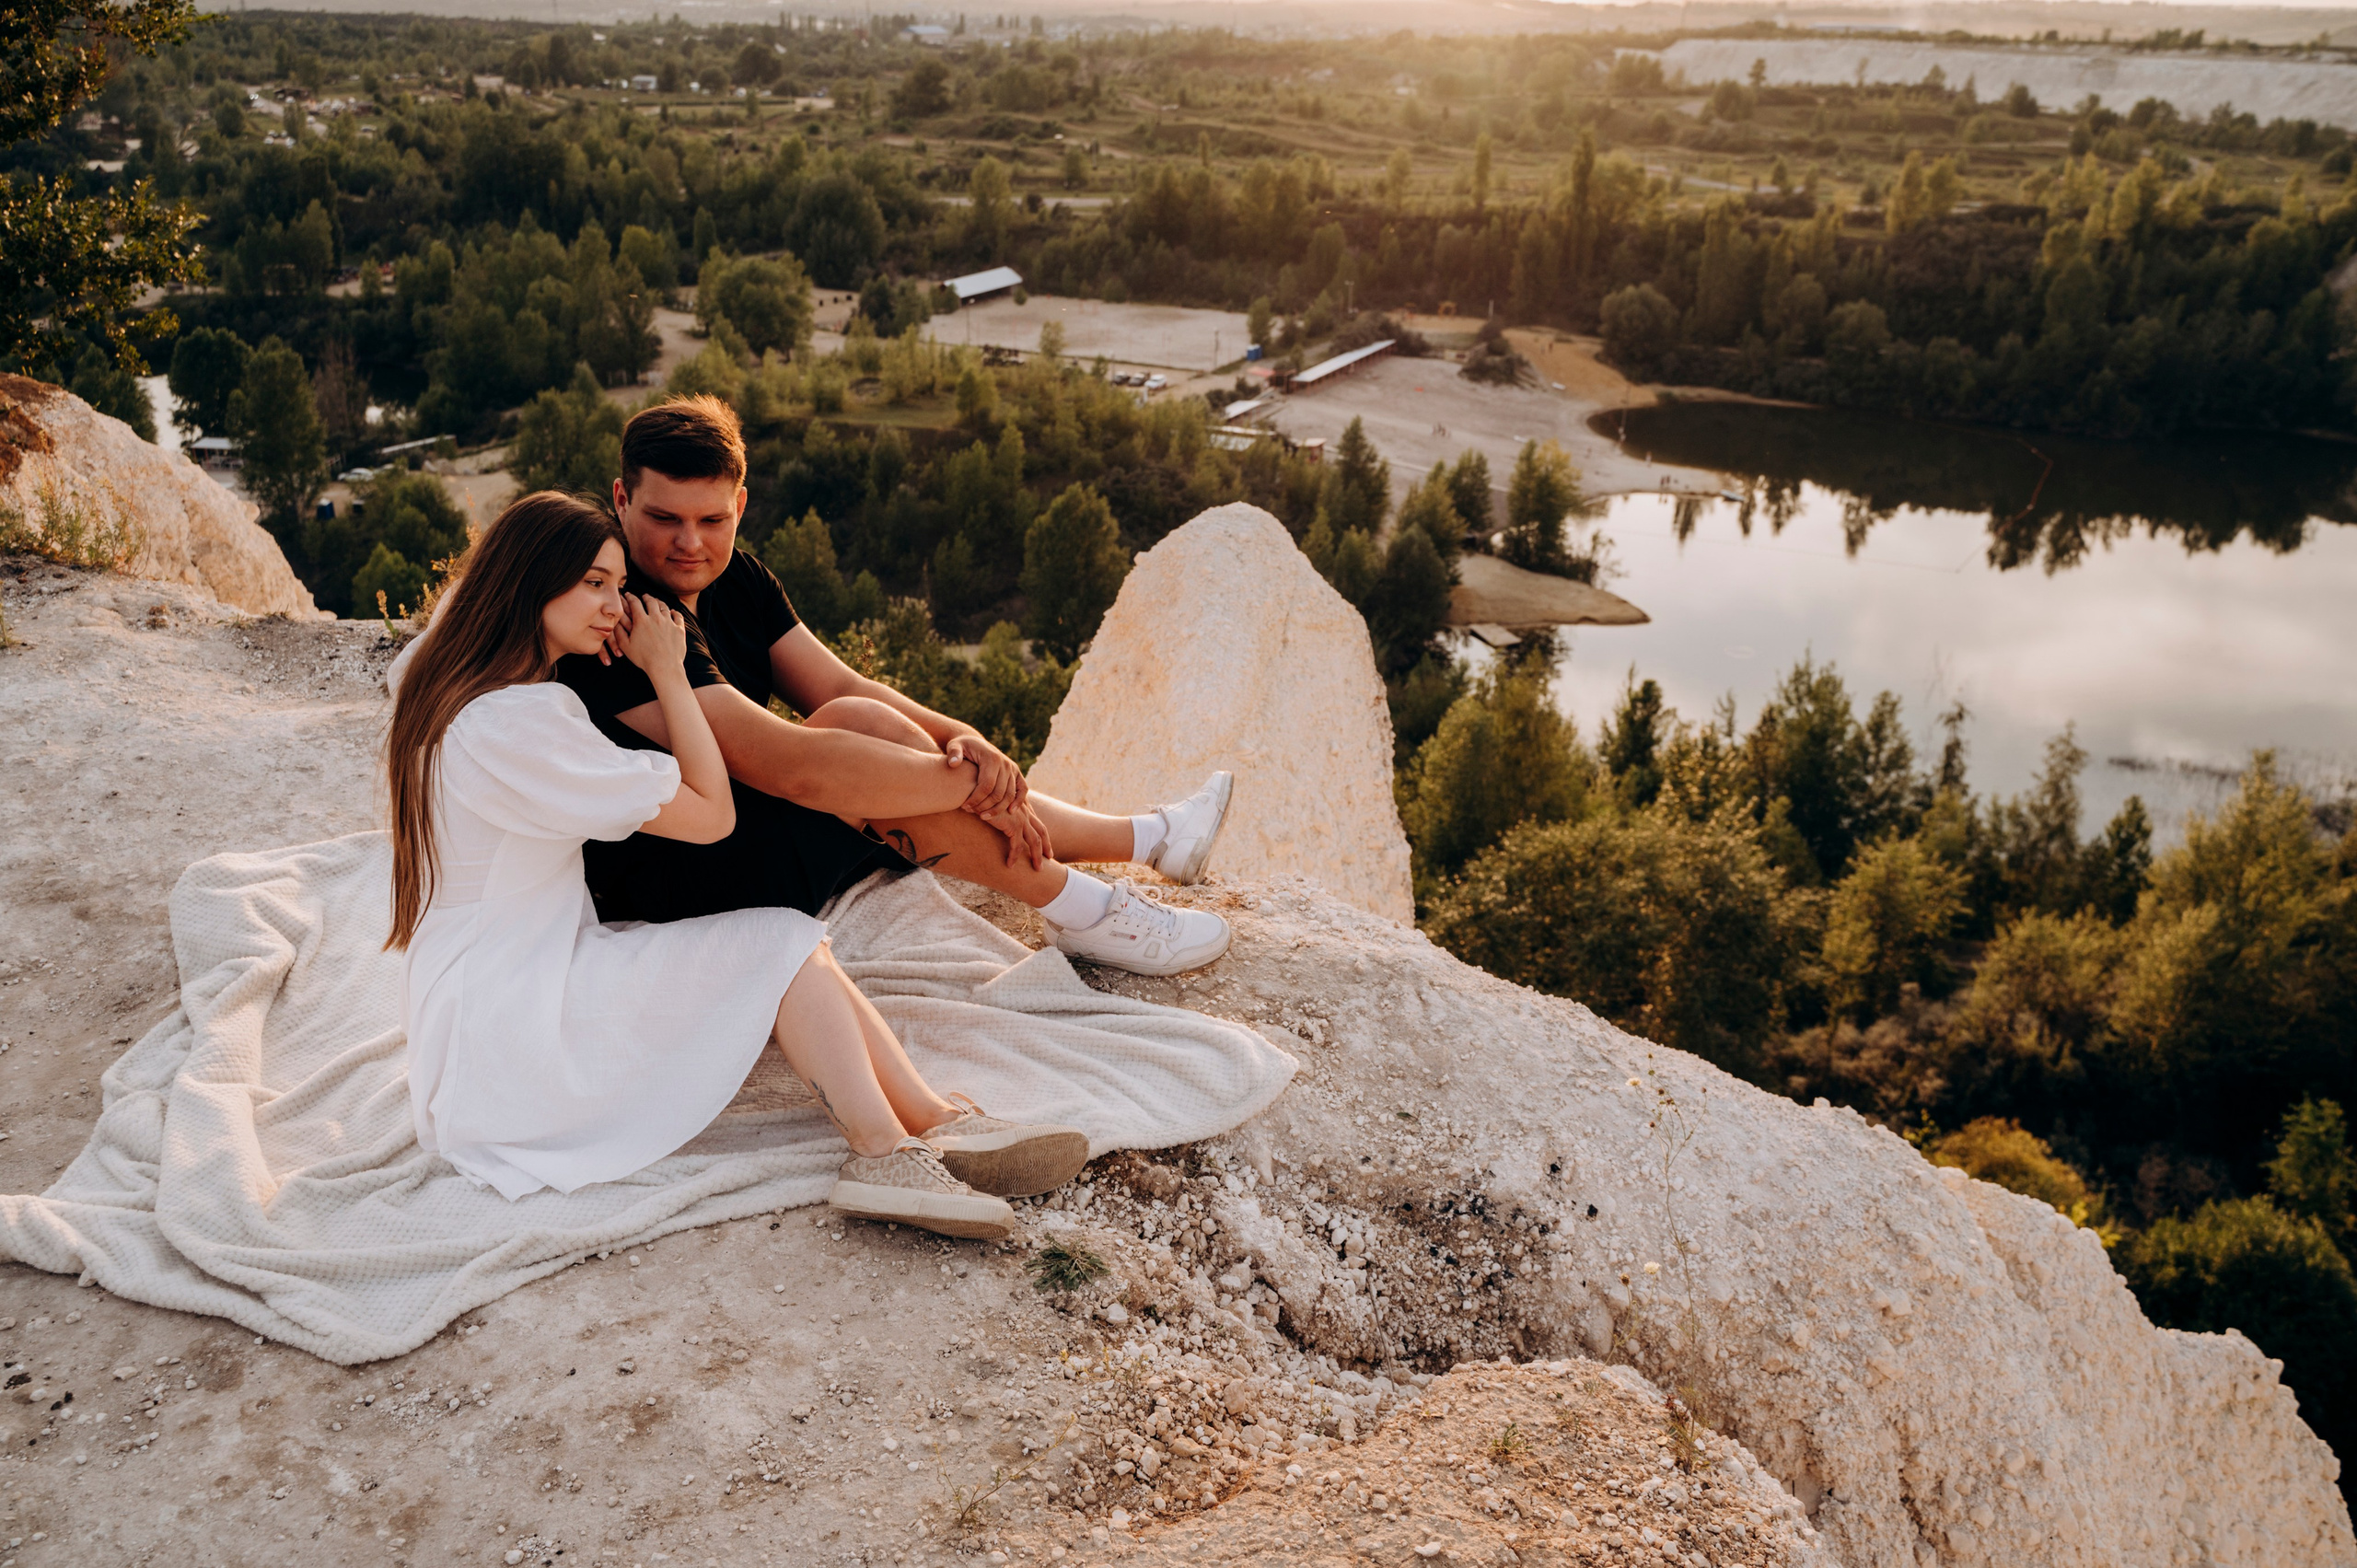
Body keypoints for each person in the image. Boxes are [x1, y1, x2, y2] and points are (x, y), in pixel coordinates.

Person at [384, 491, 1088, 1238]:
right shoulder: (521, 726)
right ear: (529, 582)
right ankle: (882, 1153)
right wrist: (668, 669)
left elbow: (463, 608)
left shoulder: (444, 679)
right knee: (779, 944)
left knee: (792, 946)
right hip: (511, 1037)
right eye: (594, 583)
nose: (616, 607)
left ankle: (938, 1120)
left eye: (619, 585)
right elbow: (710, 813)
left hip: (481, 997)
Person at [557, 395, 1236, 977]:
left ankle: (1150, 839)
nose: (690, 543)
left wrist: (965, 742)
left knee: (861, 716)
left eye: (712, 520)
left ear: (739, 504)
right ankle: (1083, 907)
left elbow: (838, 685)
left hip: (755, 828)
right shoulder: (617, 616)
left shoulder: (737, 578)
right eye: (663, 518)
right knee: (861, 742)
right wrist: (970, 783)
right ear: (622, 499)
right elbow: (788, 766)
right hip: (677, 869)